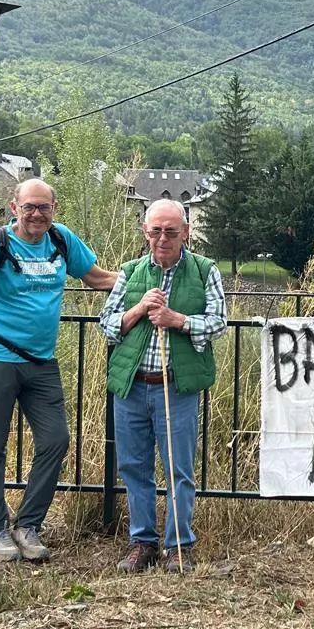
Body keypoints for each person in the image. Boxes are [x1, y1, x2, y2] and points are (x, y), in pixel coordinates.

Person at [0, 178, 114, 564]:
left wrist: (149, 279)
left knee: (56, 439)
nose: (36, 214)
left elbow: (98, 278)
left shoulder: (61, 240)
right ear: (14, 207)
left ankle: (28, 524)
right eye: (29, 207)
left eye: (44, 207)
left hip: (41, 362)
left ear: (55, 209)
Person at [98, 199, 226, 573]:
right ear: (145, 232)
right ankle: (143, 543)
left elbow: (218, 322)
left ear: (185, 233)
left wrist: (178, 319)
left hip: (177, 387)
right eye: (156, 231)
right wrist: (138, 309)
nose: (163, 238)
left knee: (178, 471)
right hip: (132, 387)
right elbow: (107, 325)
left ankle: (178, 547)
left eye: (171, 231)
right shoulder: (130, 271)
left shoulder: (204, 271)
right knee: (134, 468)